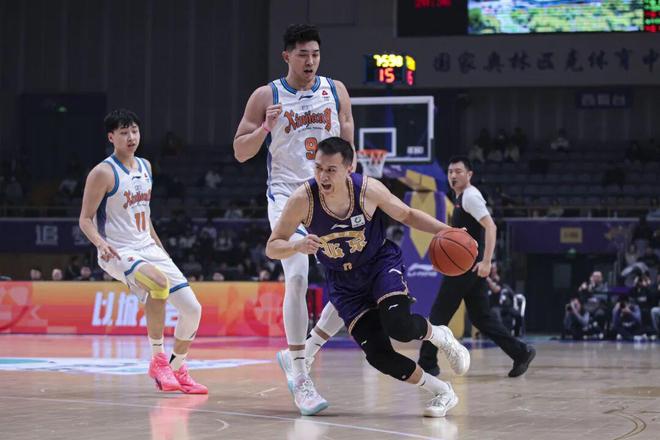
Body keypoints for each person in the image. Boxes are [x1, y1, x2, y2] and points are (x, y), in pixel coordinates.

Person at [266, 137, 470, 417]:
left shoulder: (367, 190)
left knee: (399, 326)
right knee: (378, 356)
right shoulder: (303, 199)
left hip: (378, 265)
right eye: (318, 168)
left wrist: (446, 231)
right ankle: (442, 391)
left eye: (331, 170)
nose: (323, 176)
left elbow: (408, 215)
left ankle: (440, 335)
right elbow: (272, 246)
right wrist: (296, 246)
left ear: (349, 169)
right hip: (343, 283)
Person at [233, 24, 352, 414]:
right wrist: (265, 127)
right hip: (287, 198)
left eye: (315, 54)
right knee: (298, 275)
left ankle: (304, 350)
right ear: (287, 56)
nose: (310, 61)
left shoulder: (336, 90)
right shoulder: (266, 95)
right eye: (303, 54)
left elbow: (348, 141)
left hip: (329, 196)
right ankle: (301, 375)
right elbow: (240, 152)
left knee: (355, 283)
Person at [79, 109, 206, 394]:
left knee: (192, 310)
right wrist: (100, 243)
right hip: (118, 250)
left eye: (134, 131)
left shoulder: (146, 167)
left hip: (147, 247)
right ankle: (158, 360)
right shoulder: (102, 172)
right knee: (158, 283)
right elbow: (85, 219)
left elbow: (145, 216)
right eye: (123, 132)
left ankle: (177, 368)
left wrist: (161, 250)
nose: (131, 137)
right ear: (111, 137)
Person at [418, 156, 535, 378]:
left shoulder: (470, 196)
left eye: (458, 171)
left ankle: (427, 362)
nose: (453, 175)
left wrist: (487, 262)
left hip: (465, 266)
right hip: (469, 265)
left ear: (469, 174)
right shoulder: (461, 197)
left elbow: (491, 227)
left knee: (439, 313)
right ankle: (521, 352)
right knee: (482, 318)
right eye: (450, 171)